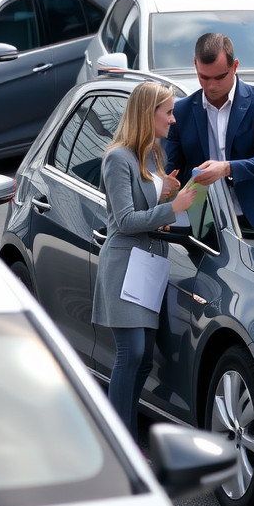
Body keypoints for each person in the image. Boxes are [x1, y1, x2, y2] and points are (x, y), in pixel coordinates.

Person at [91, 81, 197, 435]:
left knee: (142, 360)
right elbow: (124, 221)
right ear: (146, 113)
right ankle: (119, 440)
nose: (172, 120)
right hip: (124, 265)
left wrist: (164, 194)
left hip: (148, 266)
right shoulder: (117, 158)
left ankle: (123, 434)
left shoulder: (154, 155)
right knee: (131, 353)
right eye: (167, 112)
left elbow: (145, 211)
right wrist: (172, 206)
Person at [164, 33, 254, 229]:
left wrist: (226, 168)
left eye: (220, 76)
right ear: (195, 65)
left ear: (235, 67)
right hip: (206, 225)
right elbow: (171, 169)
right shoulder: (180, 112)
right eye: (203, 77)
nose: (211, 85)